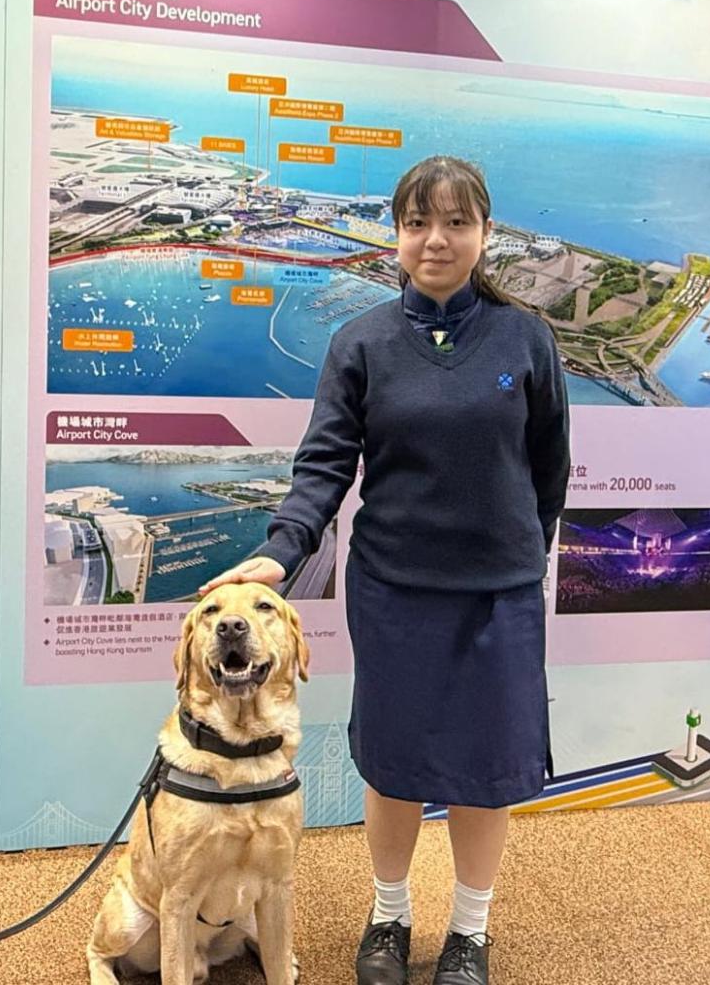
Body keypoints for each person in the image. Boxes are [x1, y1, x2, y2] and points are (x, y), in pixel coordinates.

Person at [200, 155, 570, 985]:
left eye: (456, 222)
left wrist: (521, 553)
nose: (436, 239)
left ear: (486, 233)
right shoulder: (360, 341)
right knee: (394, 762)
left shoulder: (527, 339)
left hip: (498, 596)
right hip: (395, 590)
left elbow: (550, 468)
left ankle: (470, 931)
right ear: (396, 234)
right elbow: (324, 466)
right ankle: (389, 916)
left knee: (485, 770)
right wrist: (280, 551)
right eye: (417, 223)